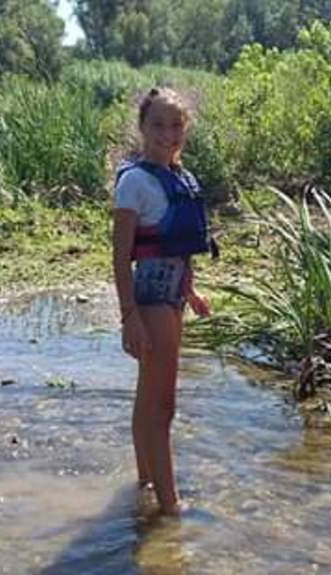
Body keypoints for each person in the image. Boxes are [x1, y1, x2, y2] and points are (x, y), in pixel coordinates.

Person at [112, 87, 214, 516]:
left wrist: (189, 290)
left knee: (147, 399)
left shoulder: (179, 176)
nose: (167, 134)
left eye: (175, 125)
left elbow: (179, 247)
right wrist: (129, 317)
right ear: (142, 127)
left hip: (172, 296)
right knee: (163, 405)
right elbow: (120, 257)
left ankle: (146, 482)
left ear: (185, 129)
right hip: (150, 298)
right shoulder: (135, 182)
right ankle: (170, 507)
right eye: (157, 124)